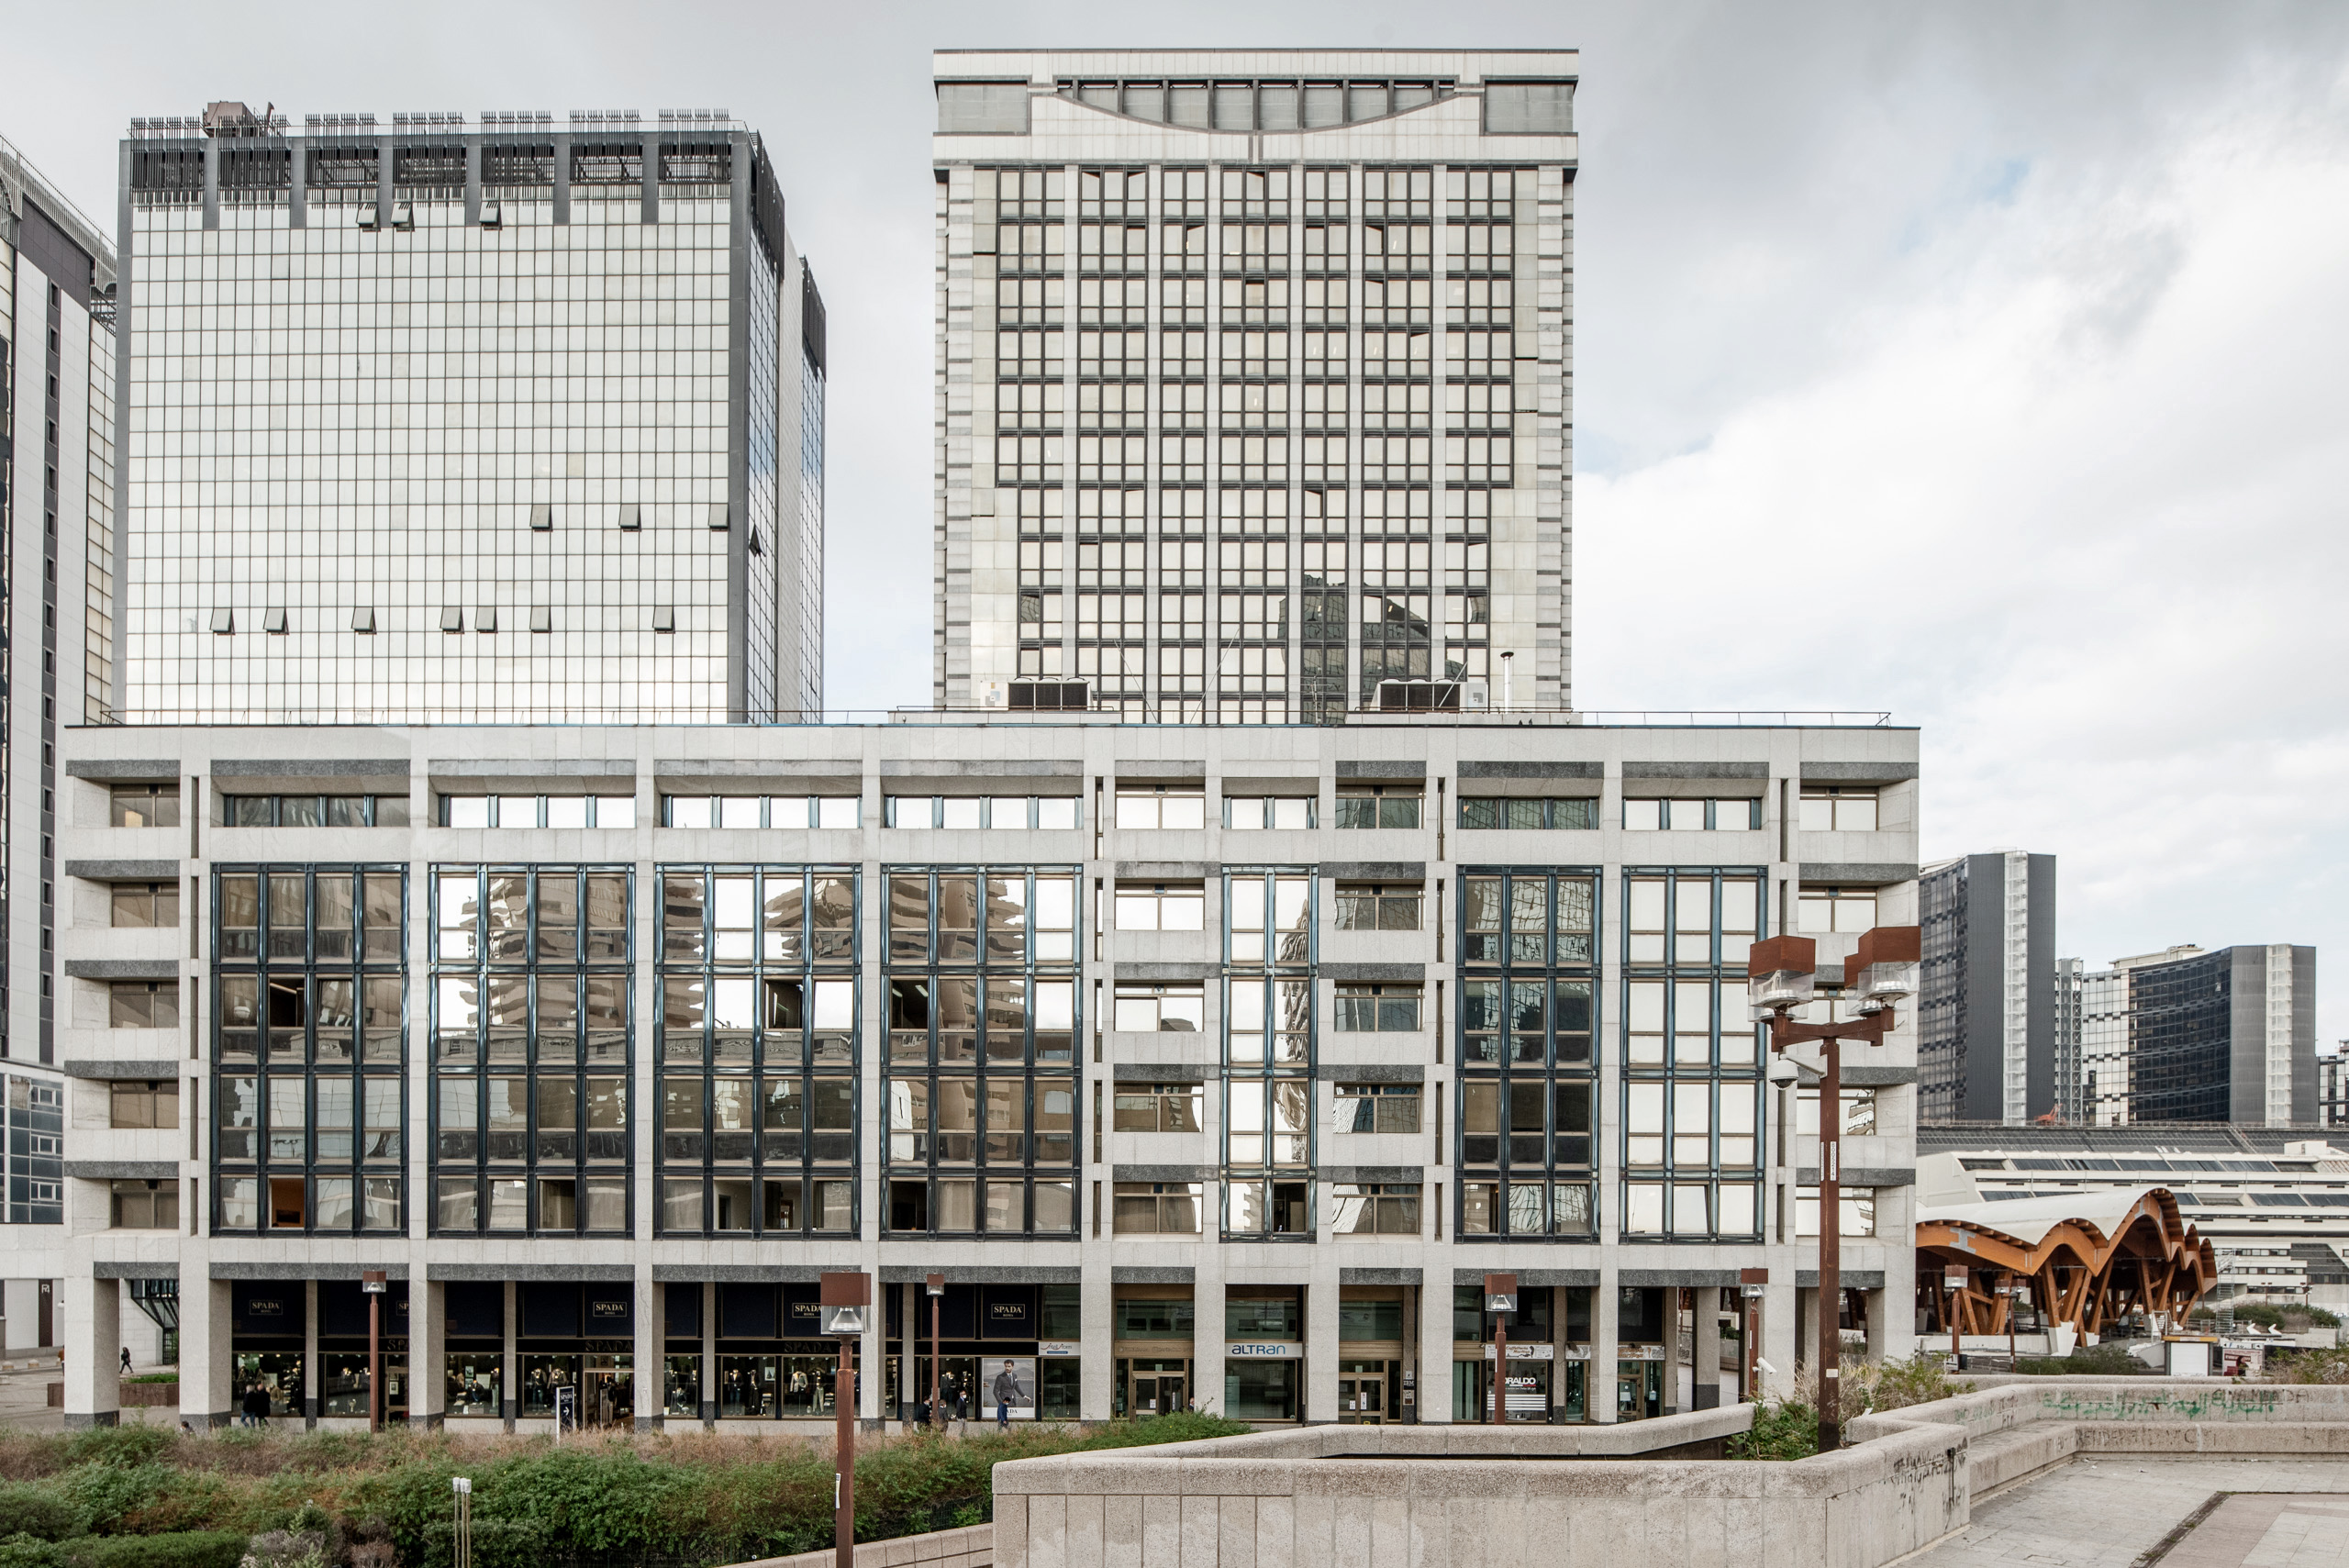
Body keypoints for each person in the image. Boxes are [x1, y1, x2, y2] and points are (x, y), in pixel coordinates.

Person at [992, 1360, 1019, 1430]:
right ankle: (1000, 1436)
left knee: (1009, 1423)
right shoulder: (1000, 1377)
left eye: (1009, 1366)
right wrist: (1001, 1403)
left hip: (1013, 1402)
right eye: (1006, 1366)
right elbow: (995, 1391)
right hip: (1004, 1403)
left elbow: (1016, 1387)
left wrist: (1024, 1396)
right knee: (1002, 1423)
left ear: (1012, 1367)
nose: (1007, 1368)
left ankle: (1009, 1437)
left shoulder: (1015, 1375)